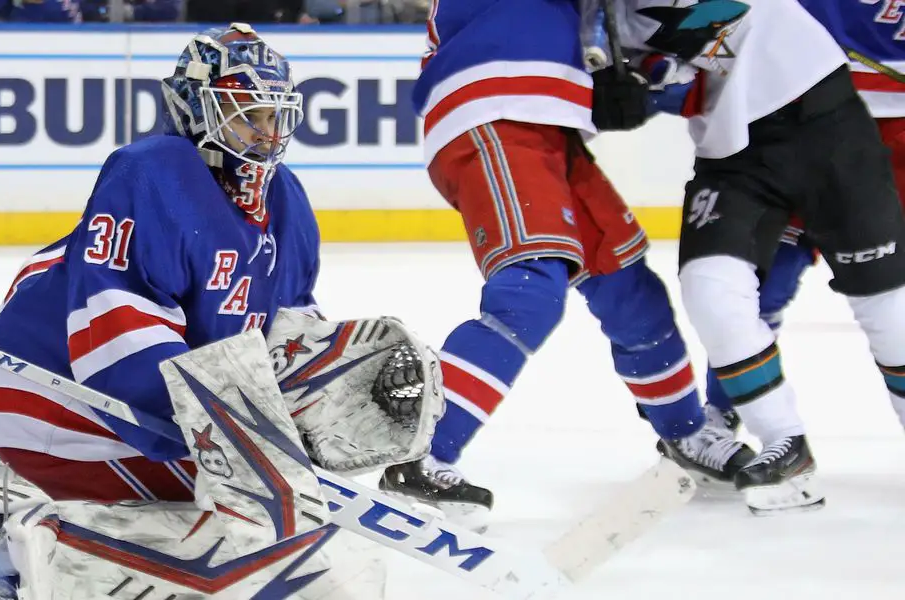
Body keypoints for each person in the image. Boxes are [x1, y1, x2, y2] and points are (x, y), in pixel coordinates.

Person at [0, 24, 429, 599]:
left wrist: (311, 418)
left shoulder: (286, 200)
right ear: (194, 108)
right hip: (66, 405)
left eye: (274, 116)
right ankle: (17, 541)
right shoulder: (154, 171)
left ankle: (33, 519)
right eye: (246, 114)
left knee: (282, 519)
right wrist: (236, 443)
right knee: (266, 534)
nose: (265, 133)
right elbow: (118, 334)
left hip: (175, 410)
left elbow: (285, 340)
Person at [377, 0, 755, 524]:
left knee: (629, 289)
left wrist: (645, 79)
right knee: (529, 294)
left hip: (550, 121)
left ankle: (686, 432)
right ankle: (418, 457)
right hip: (494, 97)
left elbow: (634, 36)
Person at [601, 0, 905, 514]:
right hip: (741, 150)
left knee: (887, 307)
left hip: (836, 130)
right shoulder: (600, 16)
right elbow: (658, 70)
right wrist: (628, 91)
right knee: (719, 288)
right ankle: (779, 441)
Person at [699, 0, 905, 437]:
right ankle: (722, 412)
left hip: (893, 130)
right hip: (801, 114)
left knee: (891, 299)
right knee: (761, 279)